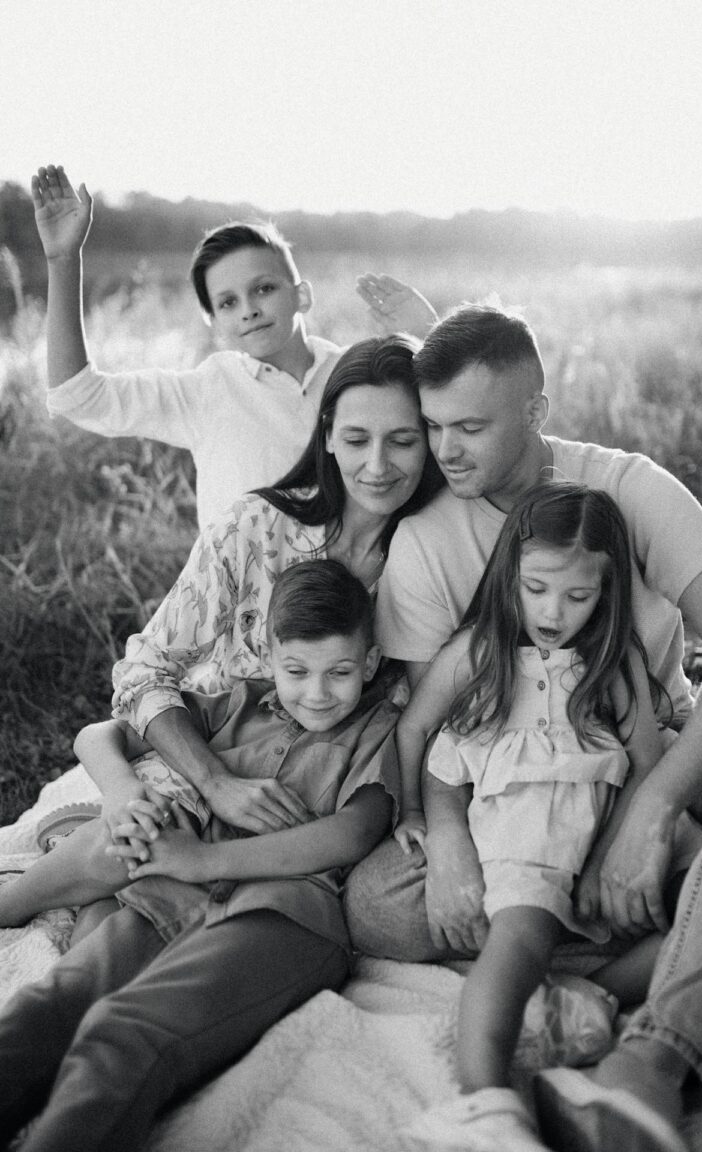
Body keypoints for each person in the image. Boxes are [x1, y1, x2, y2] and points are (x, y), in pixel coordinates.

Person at [344, 305, 702, 1152]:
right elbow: (435, 729)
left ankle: (653, 1057)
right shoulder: (427, 539)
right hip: (512, 794)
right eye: (433, 427)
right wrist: (451, 841)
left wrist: (649, 814)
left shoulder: (628, 488)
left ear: (536, 411)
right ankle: (663, 949)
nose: (446, 450)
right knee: (374, 908)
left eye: (469, 426)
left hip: (653, 754)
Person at [0, 332, 441, 932]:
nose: (378, 465)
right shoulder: (257, 526)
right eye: (358, 438)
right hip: (223, 746)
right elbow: (147, 668)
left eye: (404, 440)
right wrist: (216, 782)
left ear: (431, 441)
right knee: (130, 844)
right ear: (329, 433)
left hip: (344, 783)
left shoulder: (436, 552)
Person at [0, 560, 400, 1152]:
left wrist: (200, 863)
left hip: (283, 916)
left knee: (124, 1031)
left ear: (368, 663)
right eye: (297, 670)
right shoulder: (237, 704)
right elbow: (104, 733)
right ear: (269, 654)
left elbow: (352, 835)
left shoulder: (379, 728)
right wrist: (122, 792)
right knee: (53, 1005)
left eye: (340, 672)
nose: (317, 693)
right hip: (170, 895)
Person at [397, 481, 695, 1151]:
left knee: (701, 909)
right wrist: (424, 817)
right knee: (517, 942)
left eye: (578, 595)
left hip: (598, 841)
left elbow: (649, 764)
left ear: (607, 590)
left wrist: (609, 857)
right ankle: (486, 1100)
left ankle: (576, 1000)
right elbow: (421, 736)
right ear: (509, 579)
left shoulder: (613, 665)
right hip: (526, 839)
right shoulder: (482, 655)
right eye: (536, 589)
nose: (554, 611)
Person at [31, 164, 438, 528]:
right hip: (239, 597)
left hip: (337, 597)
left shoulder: (353, 375)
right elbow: (77, 397)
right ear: (215, 323)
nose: (249, 310)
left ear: (302, 296)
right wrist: (63, 260)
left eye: (263, 288)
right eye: (228, 302)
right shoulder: (206, 390)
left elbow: (451, 417)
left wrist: (431, 334)